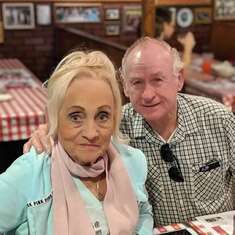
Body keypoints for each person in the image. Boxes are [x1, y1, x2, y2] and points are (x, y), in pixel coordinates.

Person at [24, 37, 235, 226]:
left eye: (157, 80)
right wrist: (49, 133)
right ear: (124, 86)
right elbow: (72, 138)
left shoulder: (218, 118)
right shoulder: (111, 127)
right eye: (136, 83)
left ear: (179, 79)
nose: (147, 94)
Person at [0, 50, 153, 234]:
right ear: (53, 117)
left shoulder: (132, 162)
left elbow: (143, 212)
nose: (91, 133)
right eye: (75, 116)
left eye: (102, 115)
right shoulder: (29, 173)